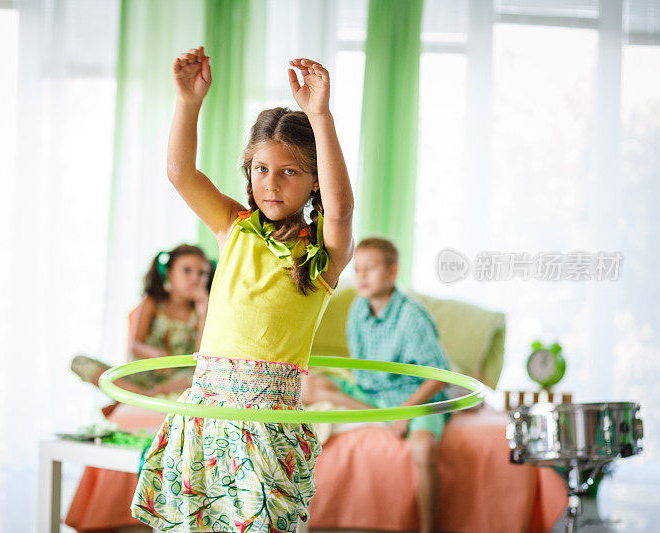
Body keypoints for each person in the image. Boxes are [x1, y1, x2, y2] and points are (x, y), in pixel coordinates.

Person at [129, 46, 354, 532]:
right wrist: (188, 103)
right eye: (261, 170)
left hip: (269, 428)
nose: (271, 184)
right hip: (206, 413)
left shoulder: (322, 255)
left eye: (290, 172)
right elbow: (180, 173)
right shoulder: (233, 228)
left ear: (314, 180)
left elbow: (339, 210)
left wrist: (321, 115)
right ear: (249, 173)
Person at [303, 237, 451, 533]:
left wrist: (405, 412)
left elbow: (438, 374)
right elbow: (363, 372)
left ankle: (429, 527)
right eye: (358, 269)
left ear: (392, 272)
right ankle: (381, 416)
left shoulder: (411, 316)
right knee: (308, 386)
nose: (362, 276)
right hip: (373, 394)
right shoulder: (358, 308)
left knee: (423, 447)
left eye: (370, 269)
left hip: (412, 395)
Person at [70, 244, 212, 397]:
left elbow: (200, 359)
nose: (195, 279)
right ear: (169, 273)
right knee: (79, 362)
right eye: (187, 271)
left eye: (202, 273)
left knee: (207, 375)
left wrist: (204, 313)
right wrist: (154, 354)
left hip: (176, 382)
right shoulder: (152, 303)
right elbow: (135, 345)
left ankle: (143, 396)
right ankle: (146, 395)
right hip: (140, 377)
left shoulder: (202, 313)